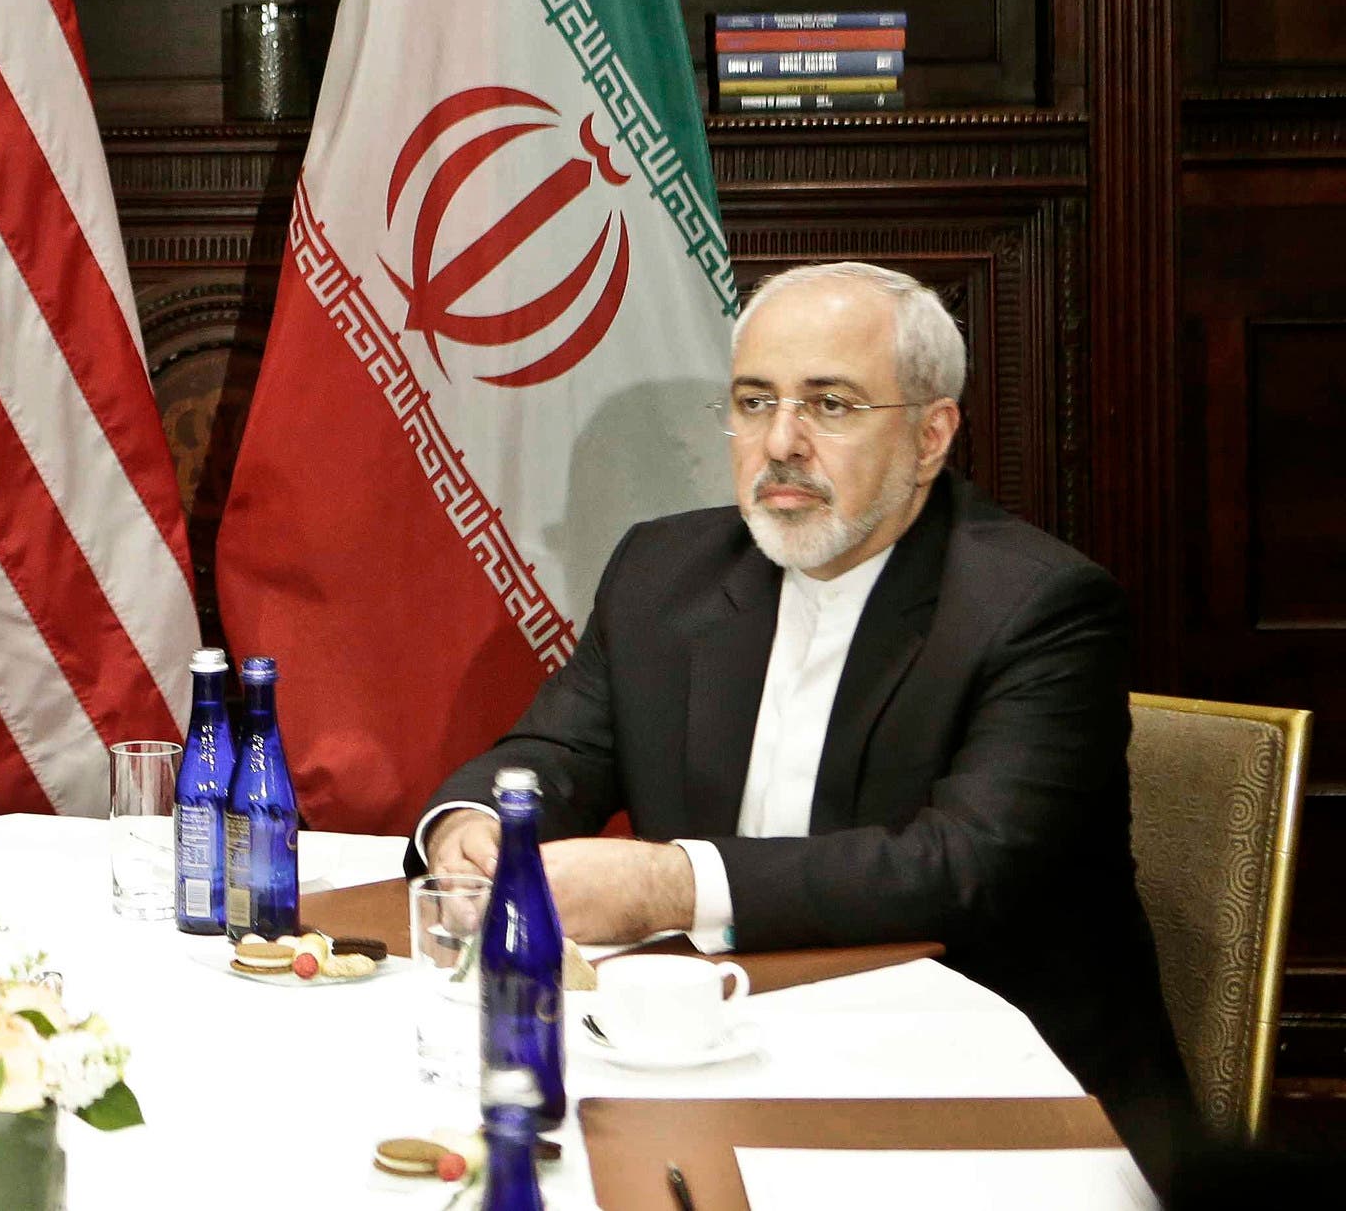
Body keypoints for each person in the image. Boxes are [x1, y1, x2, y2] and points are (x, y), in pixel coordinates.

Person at [413, 261, 1191, 1152]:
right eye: (753, 402)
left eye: (830, 405)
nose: (781, 441)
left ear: (932, 436)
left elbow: (959, 868)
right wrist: (472, 825)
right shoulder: (664, 573)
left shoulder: (1040, 606)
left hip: (988, 1087)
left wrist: (672, 883)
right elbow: (558, 750)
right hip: (724, 1056)